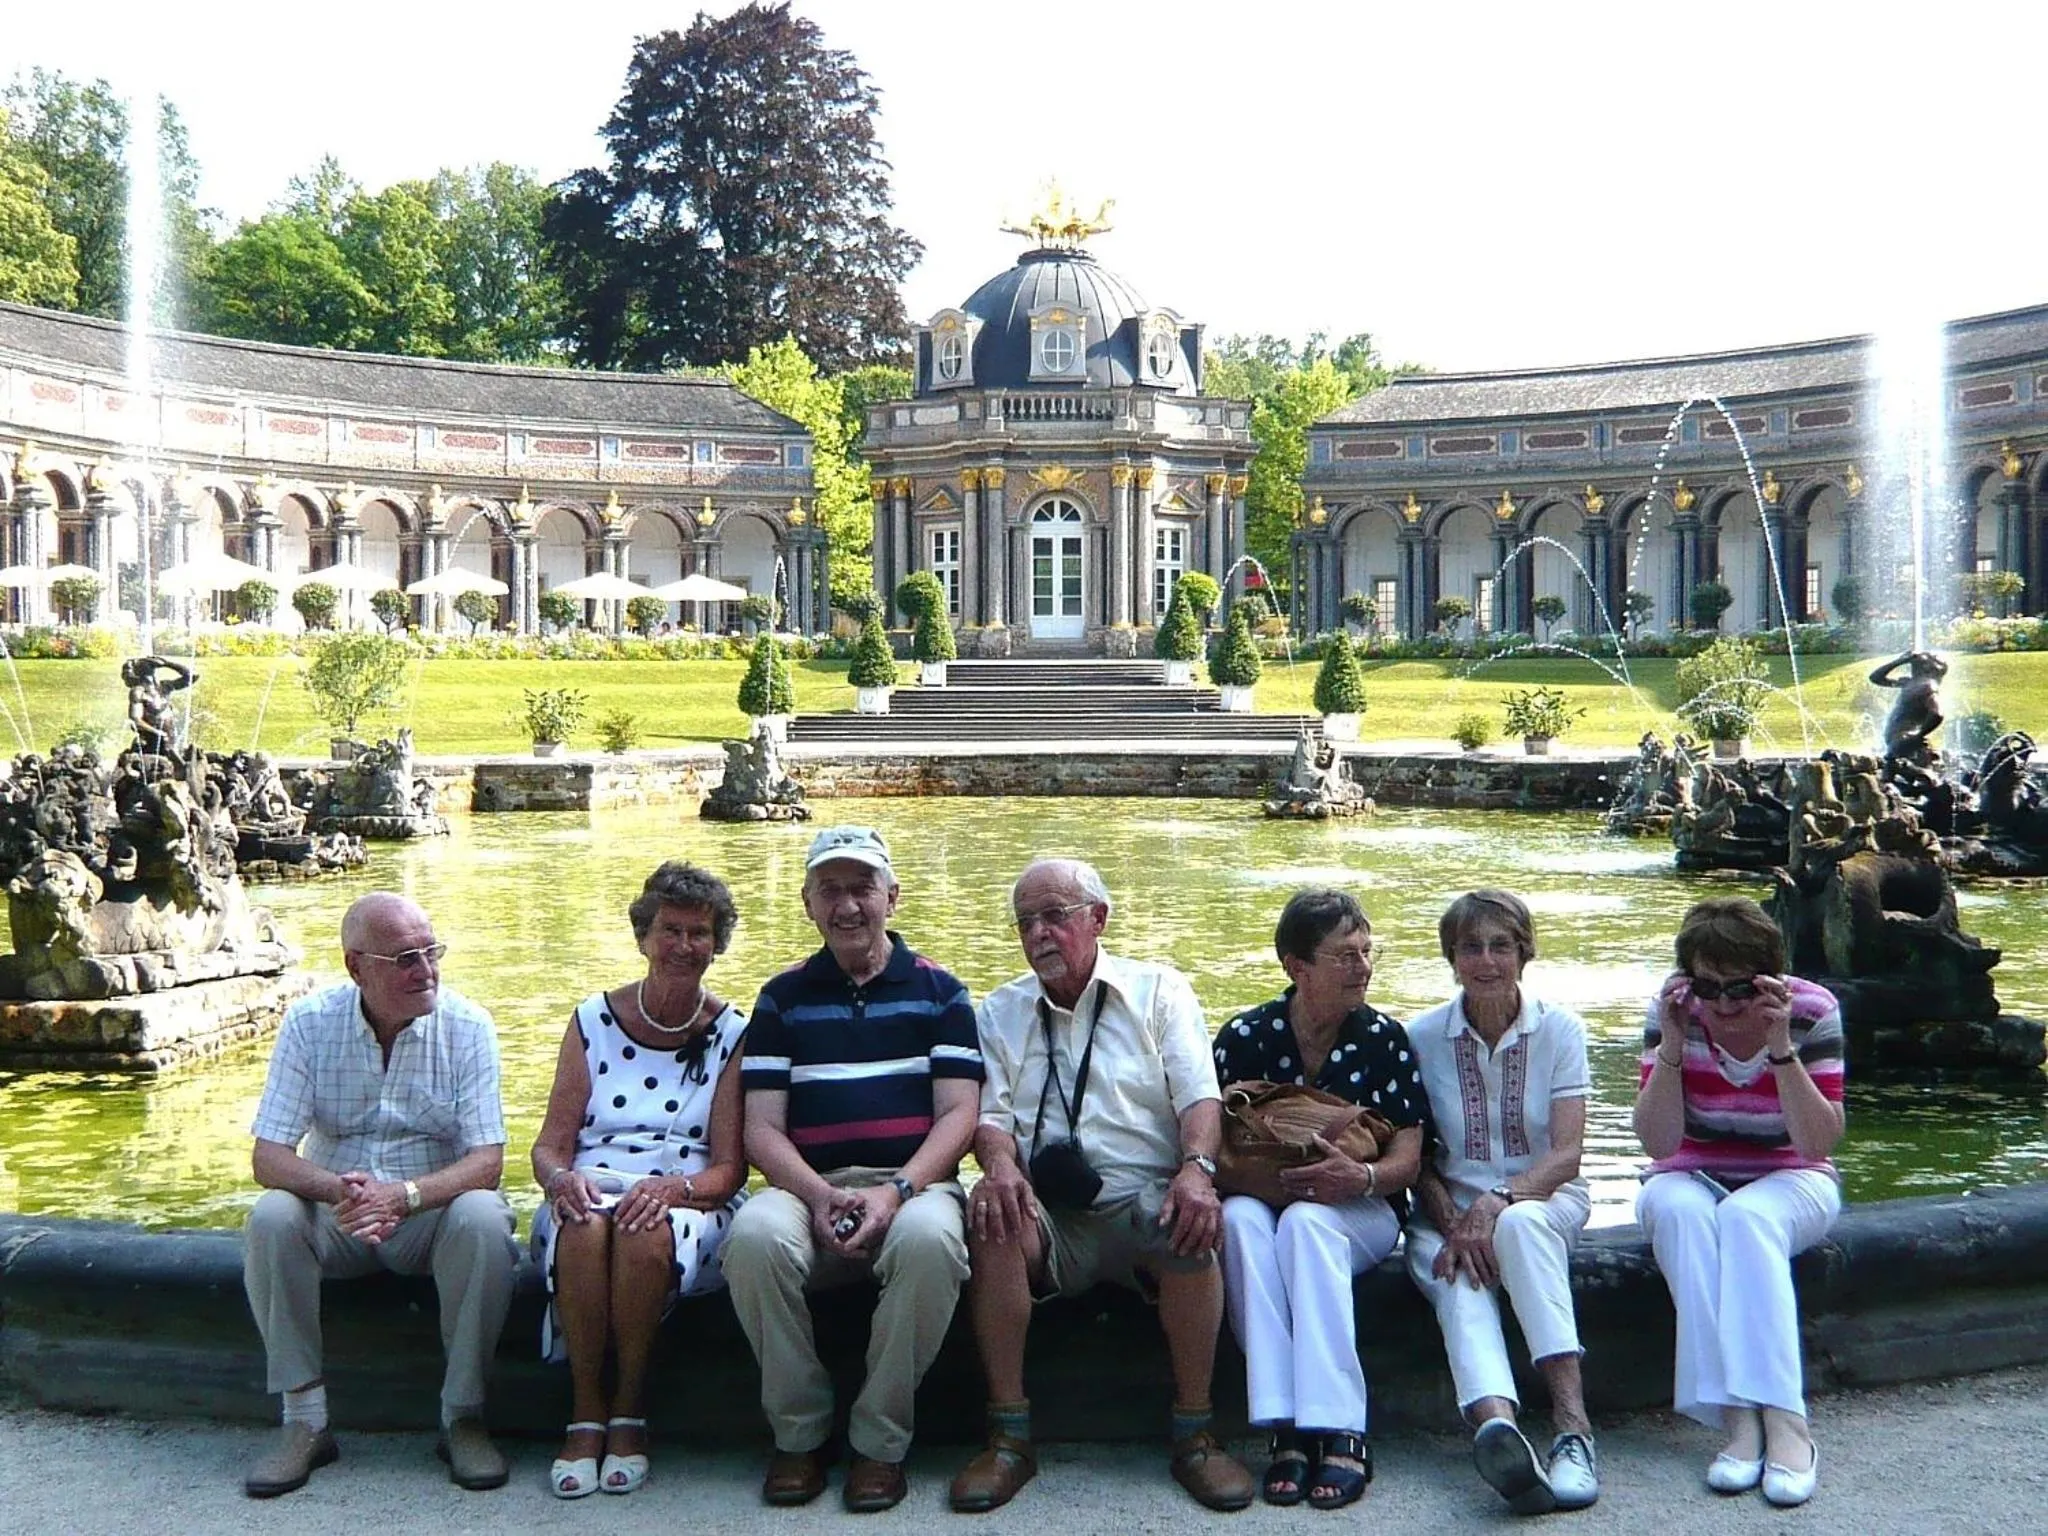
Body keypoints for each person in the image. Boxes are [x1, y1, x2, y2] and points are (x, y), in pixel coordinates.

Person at [951, 856, 1255, 1514]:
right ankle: (1009, 1437)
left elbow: (1199, 1101)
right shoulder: (1000, 1011)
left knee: (1194, 1220)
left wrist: (1197, 1171)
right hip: (1049, 1211)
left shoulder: (1159, 991)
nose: (1038, 934)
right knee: (992, 1219)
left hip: (1147, 1196)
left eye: (1054, 916)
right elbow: (991, 1119)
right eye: (1025, 922)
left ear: (1098, 919)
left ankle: (1195, 1433)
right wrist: (1000, 1167)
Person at [723, 825, 982, 1513]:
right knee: (751, 1239)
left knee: (931, 1242)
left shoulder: (942, 993)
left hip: (912, 1181)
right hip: (809, 1183)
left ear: (892, 897)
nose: (846, 906)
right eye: (829, 891)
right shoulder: (780, 999)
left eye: (861, 888)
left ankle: (878, 1442)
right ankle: (800, 1433)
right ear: (807, 904)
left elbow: (959, 1117)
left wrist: (895, 1193)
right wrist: (815, 1194)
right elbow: (760, 1129)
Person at [241, 893, 516, 1498]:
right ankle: (305, 1422)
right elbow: (269, 1157)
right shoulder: (310, 1023)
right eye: (405, 959)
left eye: (431, 952)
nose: (426, 971)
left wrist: (406, 1196)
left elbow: (487, 1161)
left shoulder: (469, 1026)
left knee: (484, 1218)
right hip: (338, 1212)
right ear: (355, 967)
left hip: (426, 1220)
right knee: (271, 1216)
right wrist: (337, 1187)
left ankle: (463, 1416)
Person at [528, 862, 750, 1498]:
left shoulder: (735, 1033)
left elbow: (732, 1168)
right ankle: (583, 1409)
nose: (684, 946)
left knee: (646, 1230)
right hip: (590, 1183)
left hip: (689, 1198)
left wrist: (672, 1190)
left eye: (700, 933)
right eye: (670, 930)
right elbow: (549, 1146)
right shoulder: (592, 1020)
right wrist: (559, 1180)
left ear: (717, 943)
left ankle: (627, 1410)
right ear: (644, 936)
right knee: (582, 1224)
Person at [1213, 889, 1426, 1509]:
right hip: (1261, 1194)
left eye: (1366, 952)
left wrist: (1357, 1181)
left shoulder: (1384, 1037)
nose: (1364, 967)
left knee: (1306, 1224)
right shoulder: (1246, 1036)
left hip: (1362, 1207)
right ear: (1296, 966)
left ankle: (1340, 1427)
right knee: (1242, 1221)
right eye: (1345, 955)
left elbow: (1408, 1160)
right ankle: (1283, 1424)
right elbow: (1209, 1133)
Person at [1633, 896, 1845, 1508]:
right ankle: (1736, 1417)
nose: (1723, 1004)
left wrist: (1780, 1047)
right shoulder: (1675, 1010)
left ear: (1771, 982)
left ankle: (1786, 1420)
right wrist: (1672, 1046)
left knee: (1748, 1218)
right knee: (1682, 1213)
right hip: (1689, 1167)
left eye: (1740, 988)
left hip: (1791, 1172)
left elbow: (1816, 1141)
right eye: (1708, 986)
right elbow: (1657, 1141)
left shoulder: (1812, 1012)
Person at [1405, 889, 1599, 1515]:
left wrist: (1496, 1203)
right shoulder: (1421, 1036)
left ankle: (1573, 1429)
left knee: (1519, 1227)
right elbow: (1419, 1160)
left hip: (1546, 1199)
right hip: (1449, 1213)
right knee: (1454, 1274)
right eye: (1469, 947)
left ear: (1524, 952)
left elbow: (1567, 1155)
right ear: (1451, 957)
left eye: (1500, 945)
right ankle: (1499, 1430)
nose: (1485, 960)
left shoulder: (1560, 1029)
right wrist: (1455, 1220)